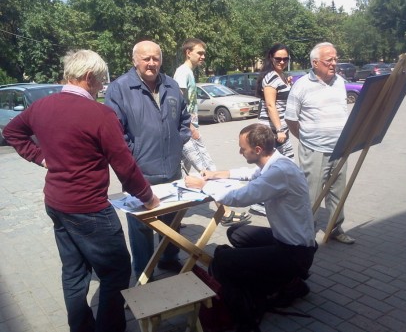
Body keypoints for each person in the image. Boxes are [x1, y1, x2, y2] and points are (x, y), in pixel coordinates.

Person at [3, 49, 160, 332]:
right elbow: (125, 166)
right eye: (100, 82)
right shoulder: (99, 114)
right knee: (116, 271)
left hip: (56, 203)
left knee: (74, 272)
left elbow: (13, 132)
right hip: (89, 209)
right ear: (88, 78)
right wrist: (148, 197)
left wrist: (40, 158)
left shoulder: (41, 106)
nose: (101, 88)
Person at [185, 123, 317, 332]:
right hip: (287, 241)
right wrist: (215, 174)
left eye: (242, 148)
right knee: (235, 232)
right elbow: (249, 174)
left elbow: (241, 197)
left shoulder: (279, 171)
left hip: (294, 253)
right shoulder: (275, 162)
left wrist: (204, 186)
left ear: (257, 150)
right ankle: (277, 281)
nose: (239, 151)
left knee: (223, 261)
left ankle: (245, 320)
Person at [105, 41, 191, 277]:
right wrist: (133, 154)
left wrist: (177, 142)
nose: (152, 63)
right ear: (135, 61)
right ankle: (144, 271)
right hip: (140, 172)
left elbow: (184, 119)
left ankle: (169, 258)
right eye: (146, 58)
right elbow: (115, 132)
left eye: (156, 58)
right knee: (141, 225)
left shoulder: (171, 85)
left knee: (172, 219)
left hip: (172, 170)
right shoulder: (120, 89)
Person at [174, 38, 251, 226]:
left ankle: (172, 220)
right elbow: (178, 105)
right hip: (187, 133)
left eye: (203, 53)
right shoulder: (182, 73)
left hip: (186, 131)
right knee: (208, 170)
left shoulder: (188, 73)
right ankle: (225, 212)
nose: (203, 56)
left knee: (178, 175)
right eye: (199, 53)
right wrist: (190, 128)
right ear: (188, 52)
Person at [285, 42, 355, 244]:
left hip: (340, 149)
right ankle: (307, 232)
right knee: (311, 195)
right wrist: (307, 138)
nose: (334, 63)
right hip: (314, 149)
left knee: (338, 192)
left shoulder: (340, 82)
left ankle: (335, 228)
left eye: (335, 59)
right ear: (315, 63)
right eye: (329, 60)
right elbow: (291, 119)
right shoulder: (301, 86)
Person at [251, 43, 294, 216]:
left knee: (277, 164)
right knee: (276, 165)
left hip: (280, 127)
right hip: (271, 129)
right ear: (271, 57)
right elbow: (270, 105)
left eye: (285, 58)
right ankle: (260, 201)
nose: (282, 61)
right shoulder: (270, 77)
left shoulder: (280, 76)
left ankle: (268, 198)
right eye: (278, 58)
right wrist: (278, 130)